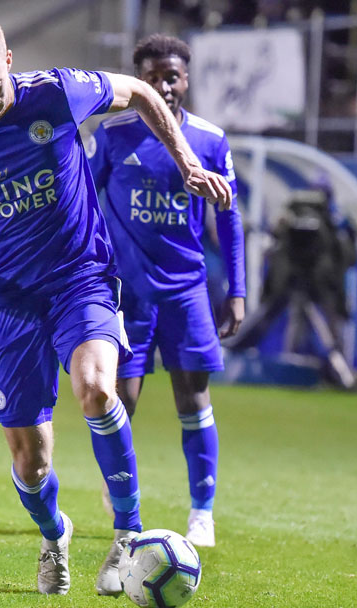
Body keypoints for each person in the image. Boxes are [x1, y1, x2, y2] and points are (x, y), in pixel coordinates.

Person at [0, 16, 231, 597]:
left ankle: (128, 537)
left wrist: (186, 161)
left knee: (98, 390)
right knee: (29, 460)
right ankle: (54, 532)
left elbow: (137, 93)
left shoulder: (56, 92)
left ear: (9, 58)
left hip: (80, 279)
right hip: (10, 300)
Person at [86, 34, 244, 549]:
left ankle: (202, 513)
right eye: (151, 78)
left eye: (170, 77)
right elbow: (84, 200)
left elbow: (230, 219)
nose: (162, 87)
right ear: (138, 82)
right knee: (116, 401)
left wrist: (237, 290)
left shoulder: (211, 140)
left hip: (186, 292)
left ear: (186, 79)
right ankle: (121, 495)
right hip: (127, 293)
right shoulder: (113, 135)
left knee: (193, 398)